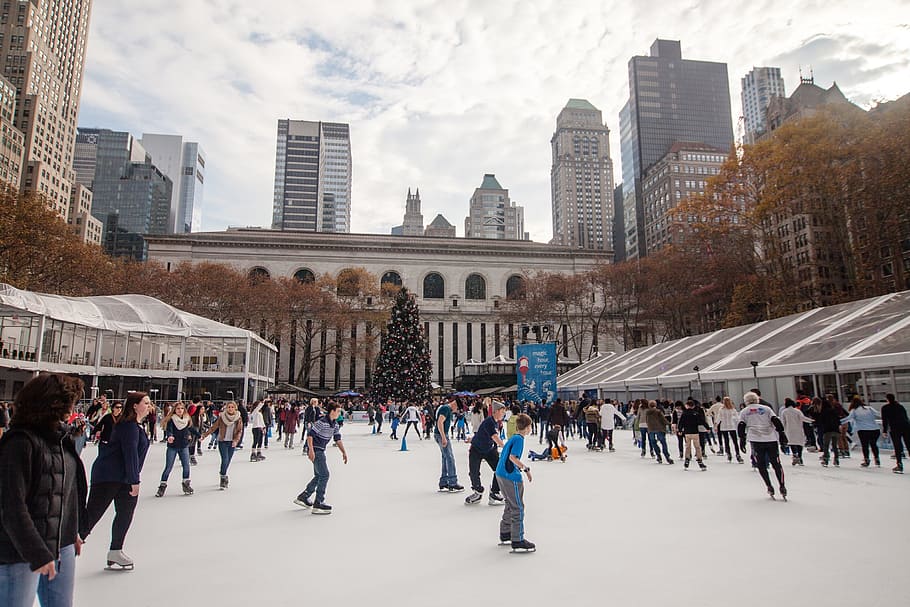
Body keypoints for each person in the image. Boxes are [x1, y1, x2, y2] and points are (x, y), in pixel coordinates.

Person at [0, 373, 87, 607]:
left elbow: (66, 492)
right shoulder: (19, 444)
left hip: (61, 544)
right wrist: (36, 552)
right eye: (68, 404)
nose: (72, 410)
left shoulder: (61, 439)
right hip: (19, 552)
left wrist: (71, 531)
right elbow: (11, 506)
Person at [81, 391, 151, 570]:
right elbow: (130, 453)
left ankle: (115, 550)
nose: (149, 406)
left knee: (125, 513)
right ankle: (69, 545)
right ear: (135, 406)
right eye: (145, 402)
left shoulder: (135, 426)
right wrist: (134, 480)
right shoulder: (128, 426)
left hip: (123, 477)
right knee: (93, 514)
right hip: (110, 476)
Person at [294, 402, 348, 514]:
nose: (339, 413)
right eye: (338, 411)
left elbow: (337, 439)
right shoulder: (321, 422)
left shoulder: (335, 425)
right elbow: (310, 435)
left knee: (319, 475)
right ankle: (318, 502)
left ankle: (304, 496)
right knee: (324, 475)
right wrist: (311, 450)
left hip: (320, 450)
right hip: (316, 450)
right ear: (332, 411)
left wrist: (343, 452)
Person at [495, 413, 535, 552]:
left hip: (500, 473)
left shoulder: (513, 437)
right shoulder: (519, 439)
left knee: (509, 503)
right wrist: (525, 468)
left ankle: (505, 532)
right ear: (528, 427)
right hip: (510, 476)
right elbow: (512, 457)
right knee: (518, 506)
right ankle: (517, 539)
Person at [738, 392, 787, 500]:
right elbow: (775, 420)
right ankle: (782, 485)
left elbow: (741, 425)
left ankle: (769, 486)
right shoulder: (766, 409)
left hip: (756, 440)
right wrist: (782, 433)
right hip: (771, 438)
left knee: (761, 464)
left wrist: (742, 439)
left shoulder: (744, 411)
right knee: (776, 463)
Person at [465, 401, 506, 505]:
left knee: (499, 469)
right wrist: (506, 448)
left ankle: (494, 493)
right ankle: (477, 492)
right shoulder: (490, 422)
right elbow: (494, 437)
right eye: (502, 411)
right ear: (496, 411)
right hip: (476, 449)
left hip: (489, 449)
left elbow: (485, 435)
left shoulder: (496, 422)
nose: (504, 413)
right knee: (474, 472)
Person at [200, 401, 243, 489]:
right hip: (222, 441)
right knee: (225, 459)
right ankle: (223, 478)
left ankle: (223, 472)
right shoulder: (222, 417)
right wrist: (204, 435)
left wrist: (236, 440)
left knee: (228, 460)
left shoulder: (238, 418)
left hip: (232, 442)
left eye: (232, 407)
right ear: (226, 408)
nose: (230, 409)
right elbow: (213, 427)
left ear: (235, 408)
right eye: (229, 407)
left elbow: (239, 431)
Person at [156, 402, 195, 497]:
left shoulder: (186, 419)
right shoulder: (172, 420)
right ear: (174, 410)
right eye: (178, 409)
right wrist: (170, 436)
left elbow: (191, 429)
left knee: (186, 466)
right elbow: (169, 430)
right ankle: (162, 486)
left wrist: (200, 435)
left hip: (184, 446)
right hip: (172, 447)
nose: (180, 410)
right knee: (168, 467)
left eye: (182, 408)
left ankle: (186, 484)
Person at [840, 396, 881, 467]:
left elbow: (848, 419)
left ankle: (866, 459)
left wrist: (838, 421)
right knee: (873, 444)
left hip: (863, 430)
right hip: (875, 429)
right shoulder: (869, 408)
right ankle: (877, 459)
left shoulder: (854, 410)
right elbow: (878, 414)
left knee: (865, 445)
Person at [434, 397, 463, 492]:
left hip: (441, 434)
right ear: (455, 404)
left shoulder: (447, 409)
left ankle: (444, 481)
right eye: (457, 409)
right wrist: (443, 437)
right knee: (450, 458)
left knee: (445, 457)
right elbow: (439, 422)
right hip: (441, 434)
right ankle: (452, 482)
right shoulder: (445, 408)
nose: (456, 411)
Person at [882, 393, 910, 474]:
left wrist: (884, 430)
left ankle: (899, 464)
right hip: (906, 427)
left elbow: (885, 420)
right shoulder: (900, 406)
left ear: (887, 399)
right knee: (908, 444)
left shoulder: (885, 408)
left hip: (895, 428)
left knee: (897, 446)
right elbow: (905, 417)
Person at [780, 398, 813, 466]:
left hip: (789, 430)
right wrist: (811, 421)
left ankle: (795, 455)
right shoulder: (797, 411)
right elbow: (803, 418)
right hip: (798, 429)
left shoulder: (784, 412)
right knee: (799, 443)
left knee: (792, 443)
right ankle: (800, 457)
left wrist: (781, 430)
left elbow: (783, 422)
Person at [677, 399, 707, 470]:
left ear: (687, 406)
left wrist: (680, 430)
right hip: (695, 432)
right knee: (697, 447)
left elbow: (681, 422)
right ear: (693, 406)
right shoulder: (695, 413)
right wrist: (707, 427)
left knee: (688, 447)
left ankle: (687, 461)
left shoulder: (684, 414)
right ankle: (700, 461)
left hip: (687, 433)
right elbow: (701, 421)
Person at [716, 397, 744, 463]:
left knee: (726, 441)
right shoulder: (732, 409)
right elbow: (737, 418)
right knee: (735, 441)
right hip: (731, 426)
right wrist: (740, 423)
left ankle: (729, 454)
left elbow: (719, 418)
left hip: (724, 426)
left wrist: (716, 424)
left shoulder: (721, 409)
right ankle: (738, 455)